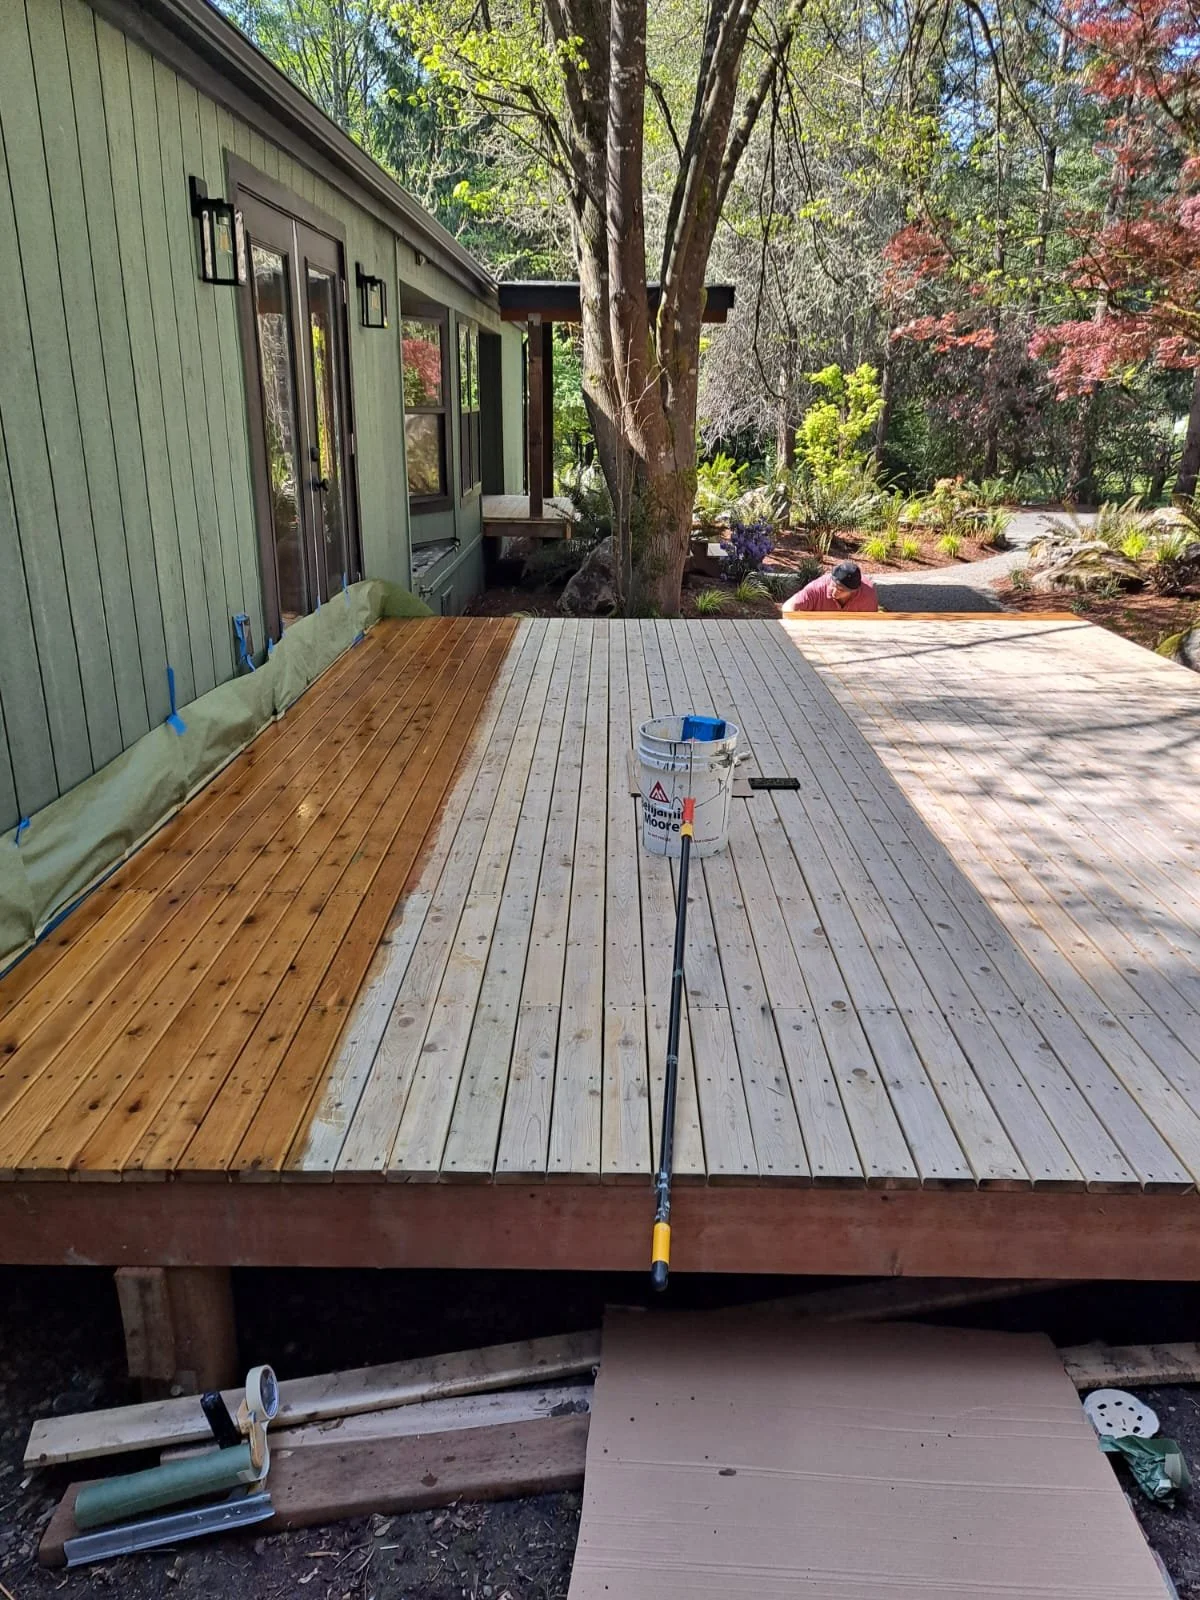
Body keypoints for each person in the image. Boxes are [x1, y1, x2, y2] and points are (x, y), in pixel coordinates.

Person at [781, 560, 879, 614]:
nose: (834, 592)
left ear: (853, 591)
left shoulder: (868, 596)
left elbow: (871, 624)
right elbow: (788, 607)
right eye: (833, 585)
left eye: (841, 590)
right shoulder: (817, 588)